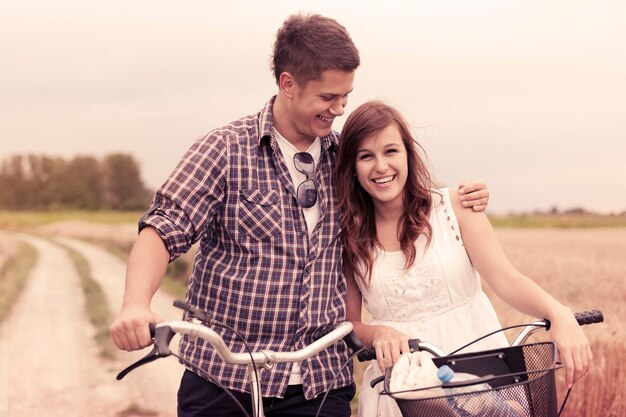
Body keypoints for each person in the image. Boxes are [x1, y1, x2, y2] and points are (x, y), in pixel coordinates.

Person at [109, 14, 489, 417]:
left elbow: (399, 198)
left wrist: (460, 198)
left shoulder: (346, 158)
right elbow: (162, 230)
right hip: (226, 379)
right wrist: (135, 303)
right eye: (328, 97)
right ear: (288, 84)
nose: (339, 109)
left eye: (345, 96)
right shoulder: (224, 150)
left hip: (321, 383)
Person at [336, 100, 593, 417]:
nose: (381, 166)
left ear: (407, 154)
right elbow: (351, 323)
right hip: (405, 384)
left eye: (391, 151)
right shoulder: (350, 234)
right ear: (353, 166)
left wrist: (559, 313)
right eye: (366, 156)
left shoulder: (454, 208)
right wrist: (378, 333)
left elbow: (506, 279)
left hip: (478, 370)